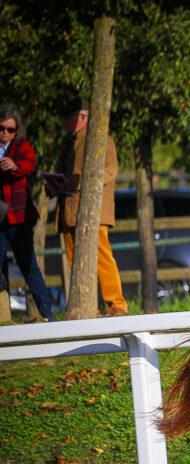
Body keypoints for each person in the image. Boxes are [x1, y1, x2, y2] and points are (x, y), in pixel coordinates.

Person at [47, 93, 127, 316]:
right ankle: (89, 305)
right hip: (69, 211)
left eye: (68, 117)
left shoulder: (101, 139)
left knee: (102, 257)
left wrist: (86, 181)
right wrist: (53, 185)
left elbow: (111, 170)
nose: (64, 122)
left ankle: (117, 303)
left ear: (83, 116)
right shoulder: (67, 143)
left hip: (95, 212)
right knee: (76, 264)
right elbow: (59, 174)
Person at [0, 103, 53, 321]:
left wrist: (14, 165)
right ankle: (5, 316)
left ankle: (48, 315)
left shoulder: (21, 147)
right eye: (1, 128)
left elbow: (30, 164)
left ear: (16, 130)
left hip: (18, 217)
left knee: (29, 266)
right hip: (0, 218)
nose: (5, 133)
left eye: (10, 130)